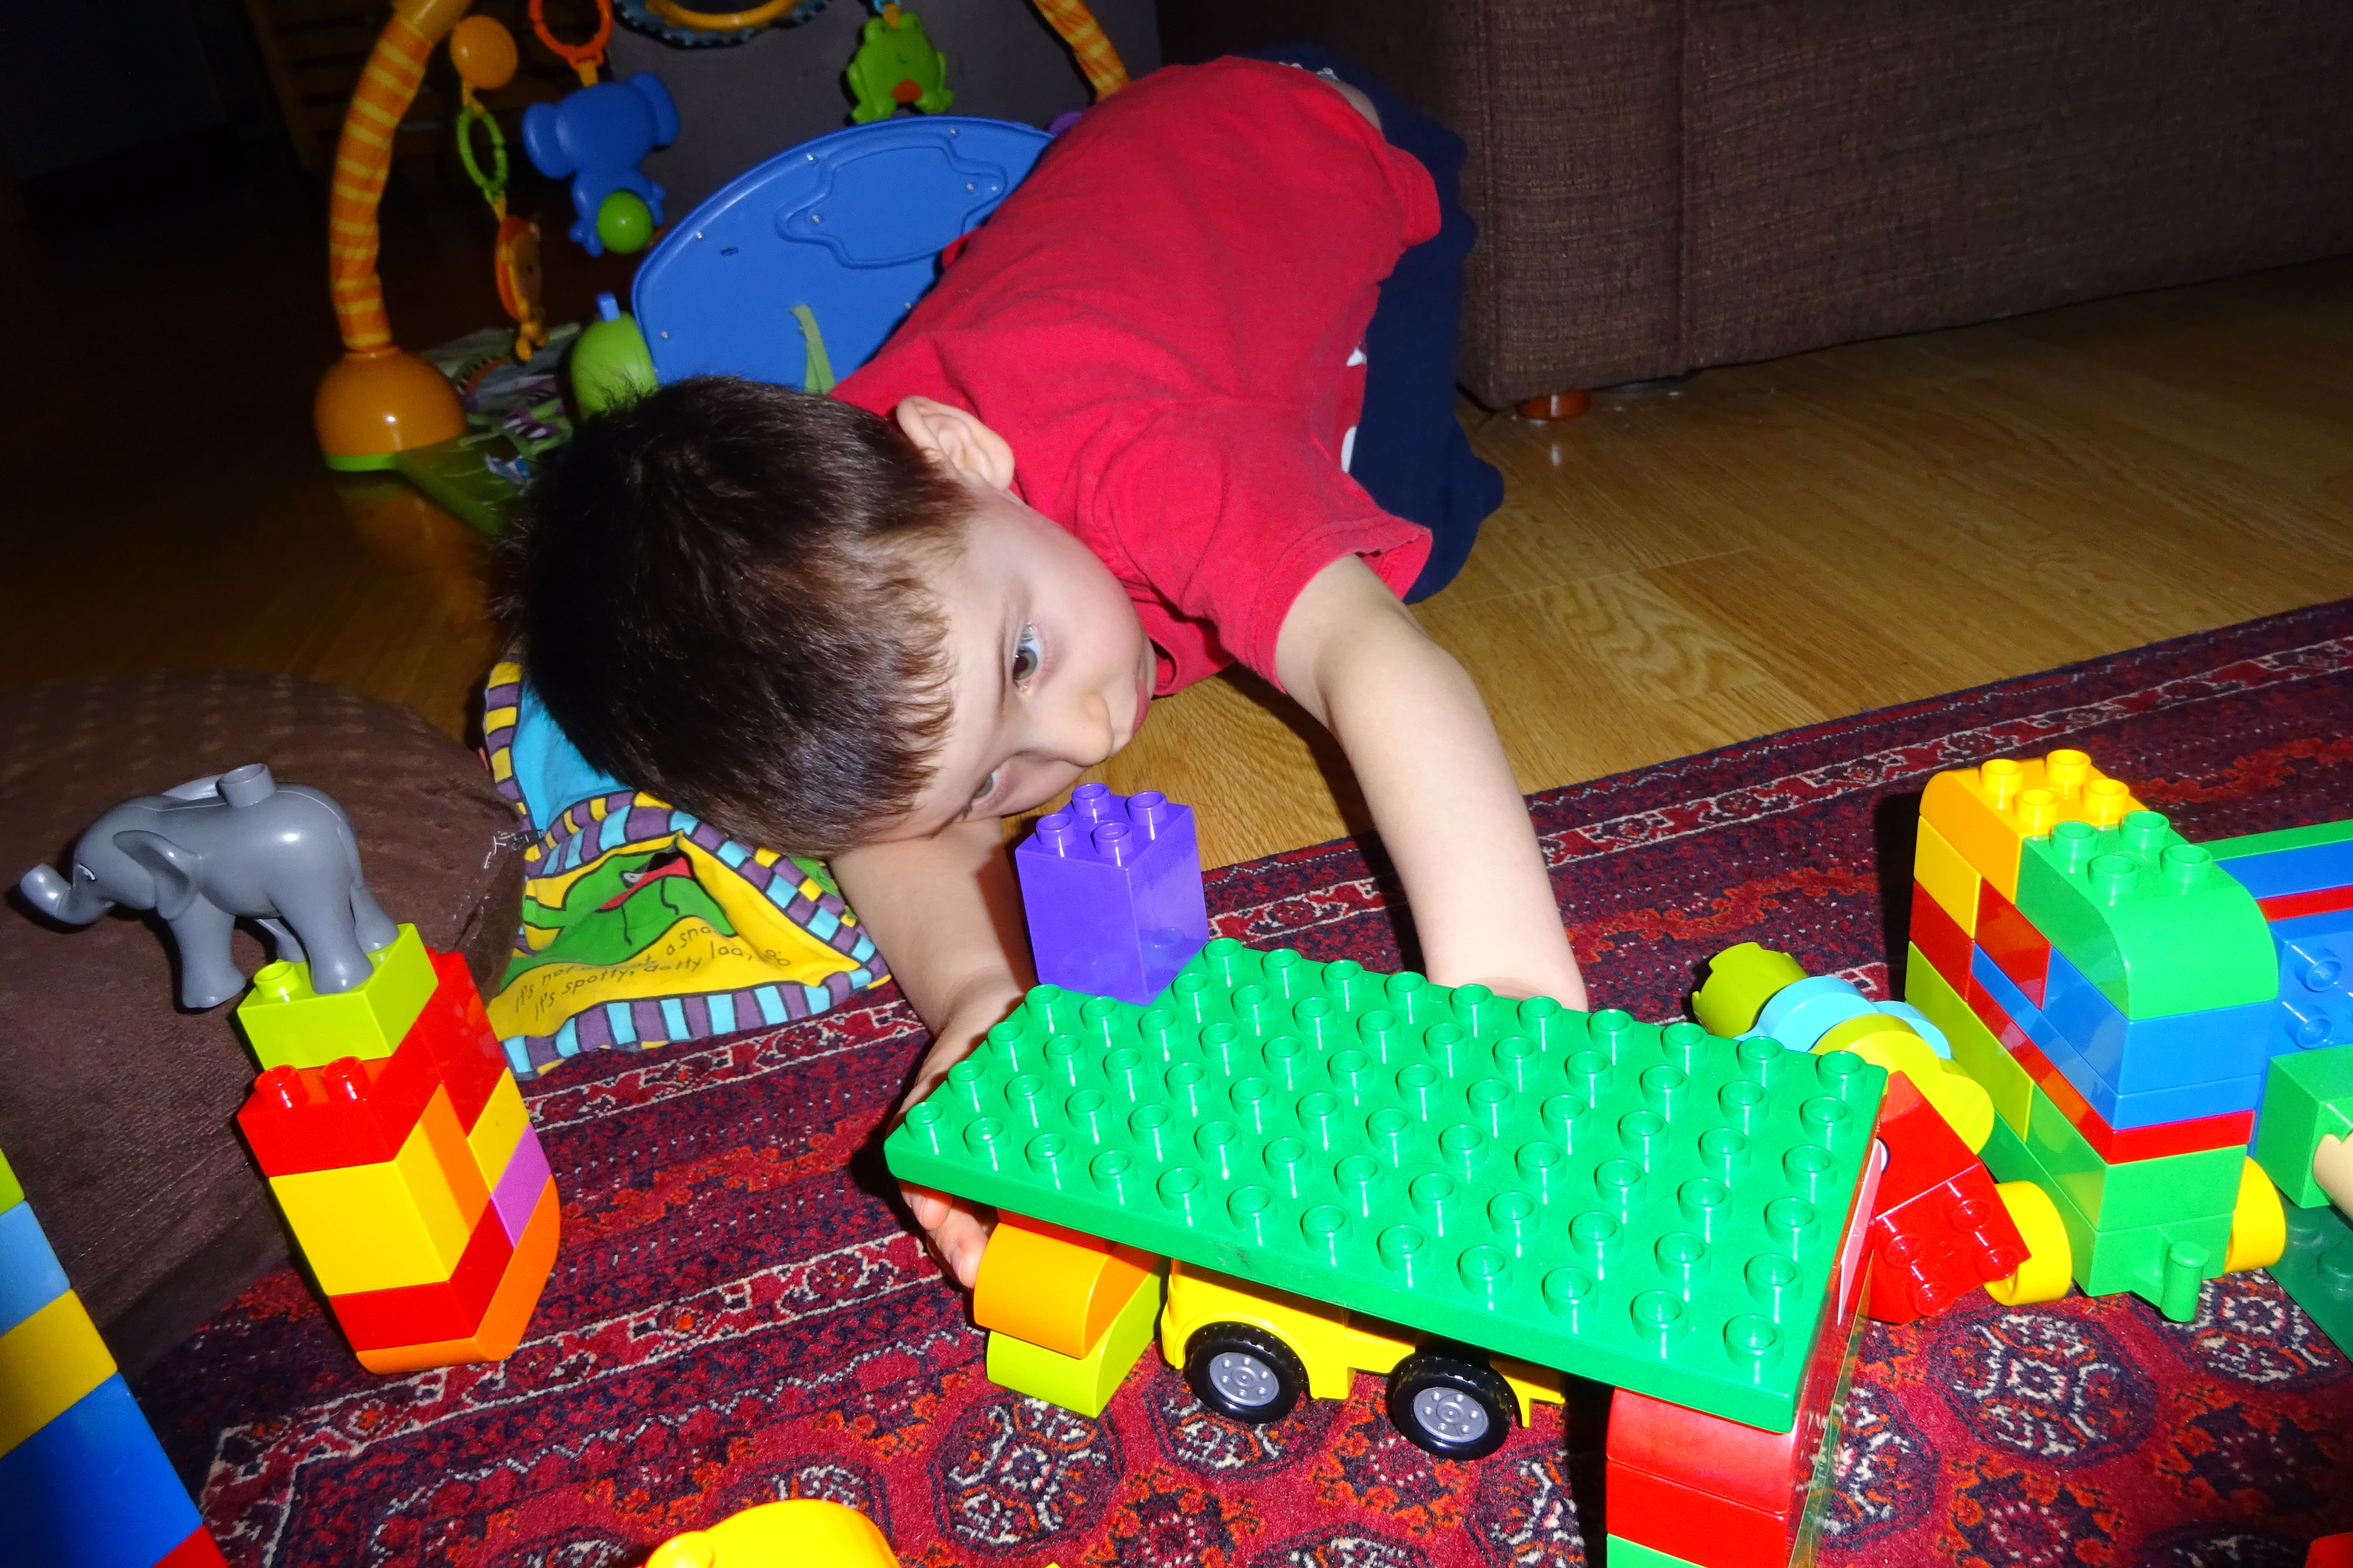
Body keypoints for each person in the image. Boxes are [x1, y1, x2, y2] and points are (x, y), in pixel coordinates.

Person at [512, 54, 1587, 1287]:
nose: (1083, 740)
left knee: (1412, 542)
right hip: (1114, 213)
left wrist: (1508, 1007)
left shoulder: (1140, 451)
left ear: (962, 452)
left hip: (1316, 140)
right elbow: (889, 835)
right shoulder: (908, 550)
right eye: (990, 780)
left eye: (1022, 660)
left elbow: (1372, 661)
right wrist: (979, 990)